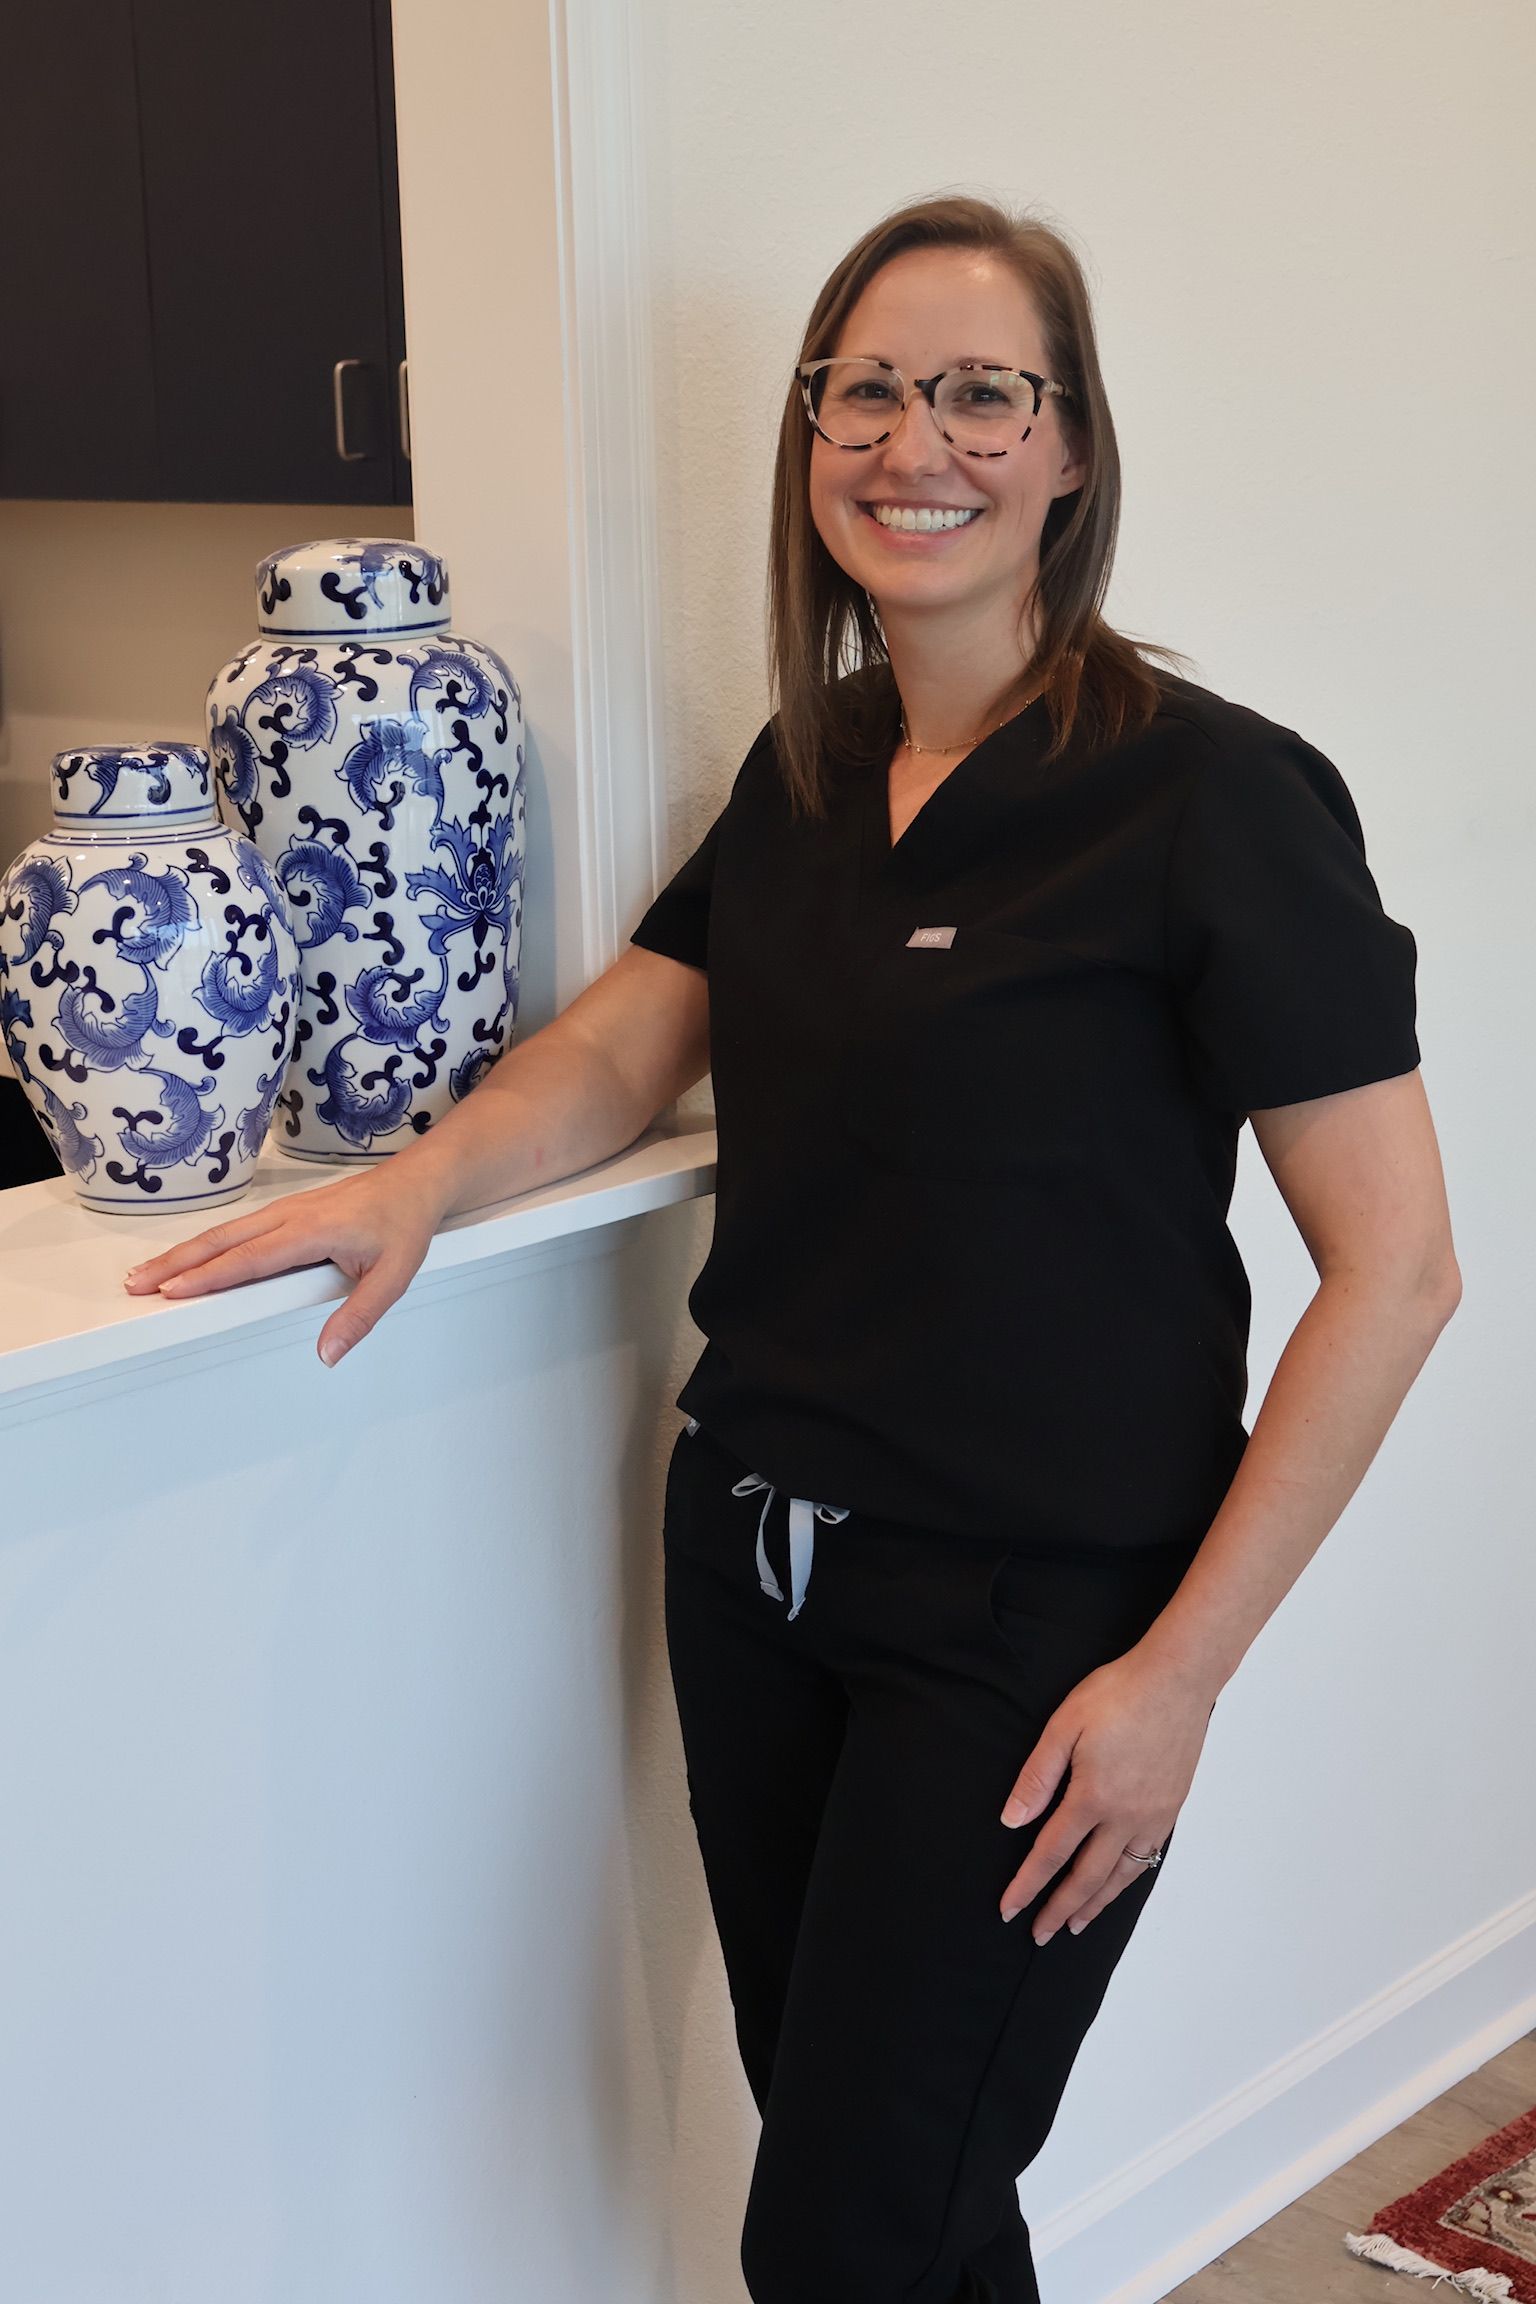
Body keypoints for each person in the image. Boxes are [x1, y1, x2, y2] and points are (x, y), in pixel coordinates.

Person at [124, 193, 1461, 2304]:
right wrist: (411, 1183)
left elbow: (1398, 1275)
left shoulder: (1213, 798)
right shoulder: (813, 767)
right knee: (890, 2198)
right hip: (748, 1571)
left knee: (850, 2225)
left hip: (1033, 1633)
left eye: (981, 392)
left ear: (1073, 447)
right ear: (809, 432)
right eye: (866, 390)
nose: (915, 439)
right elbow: (620, 1045)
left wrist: (1178, 1681)